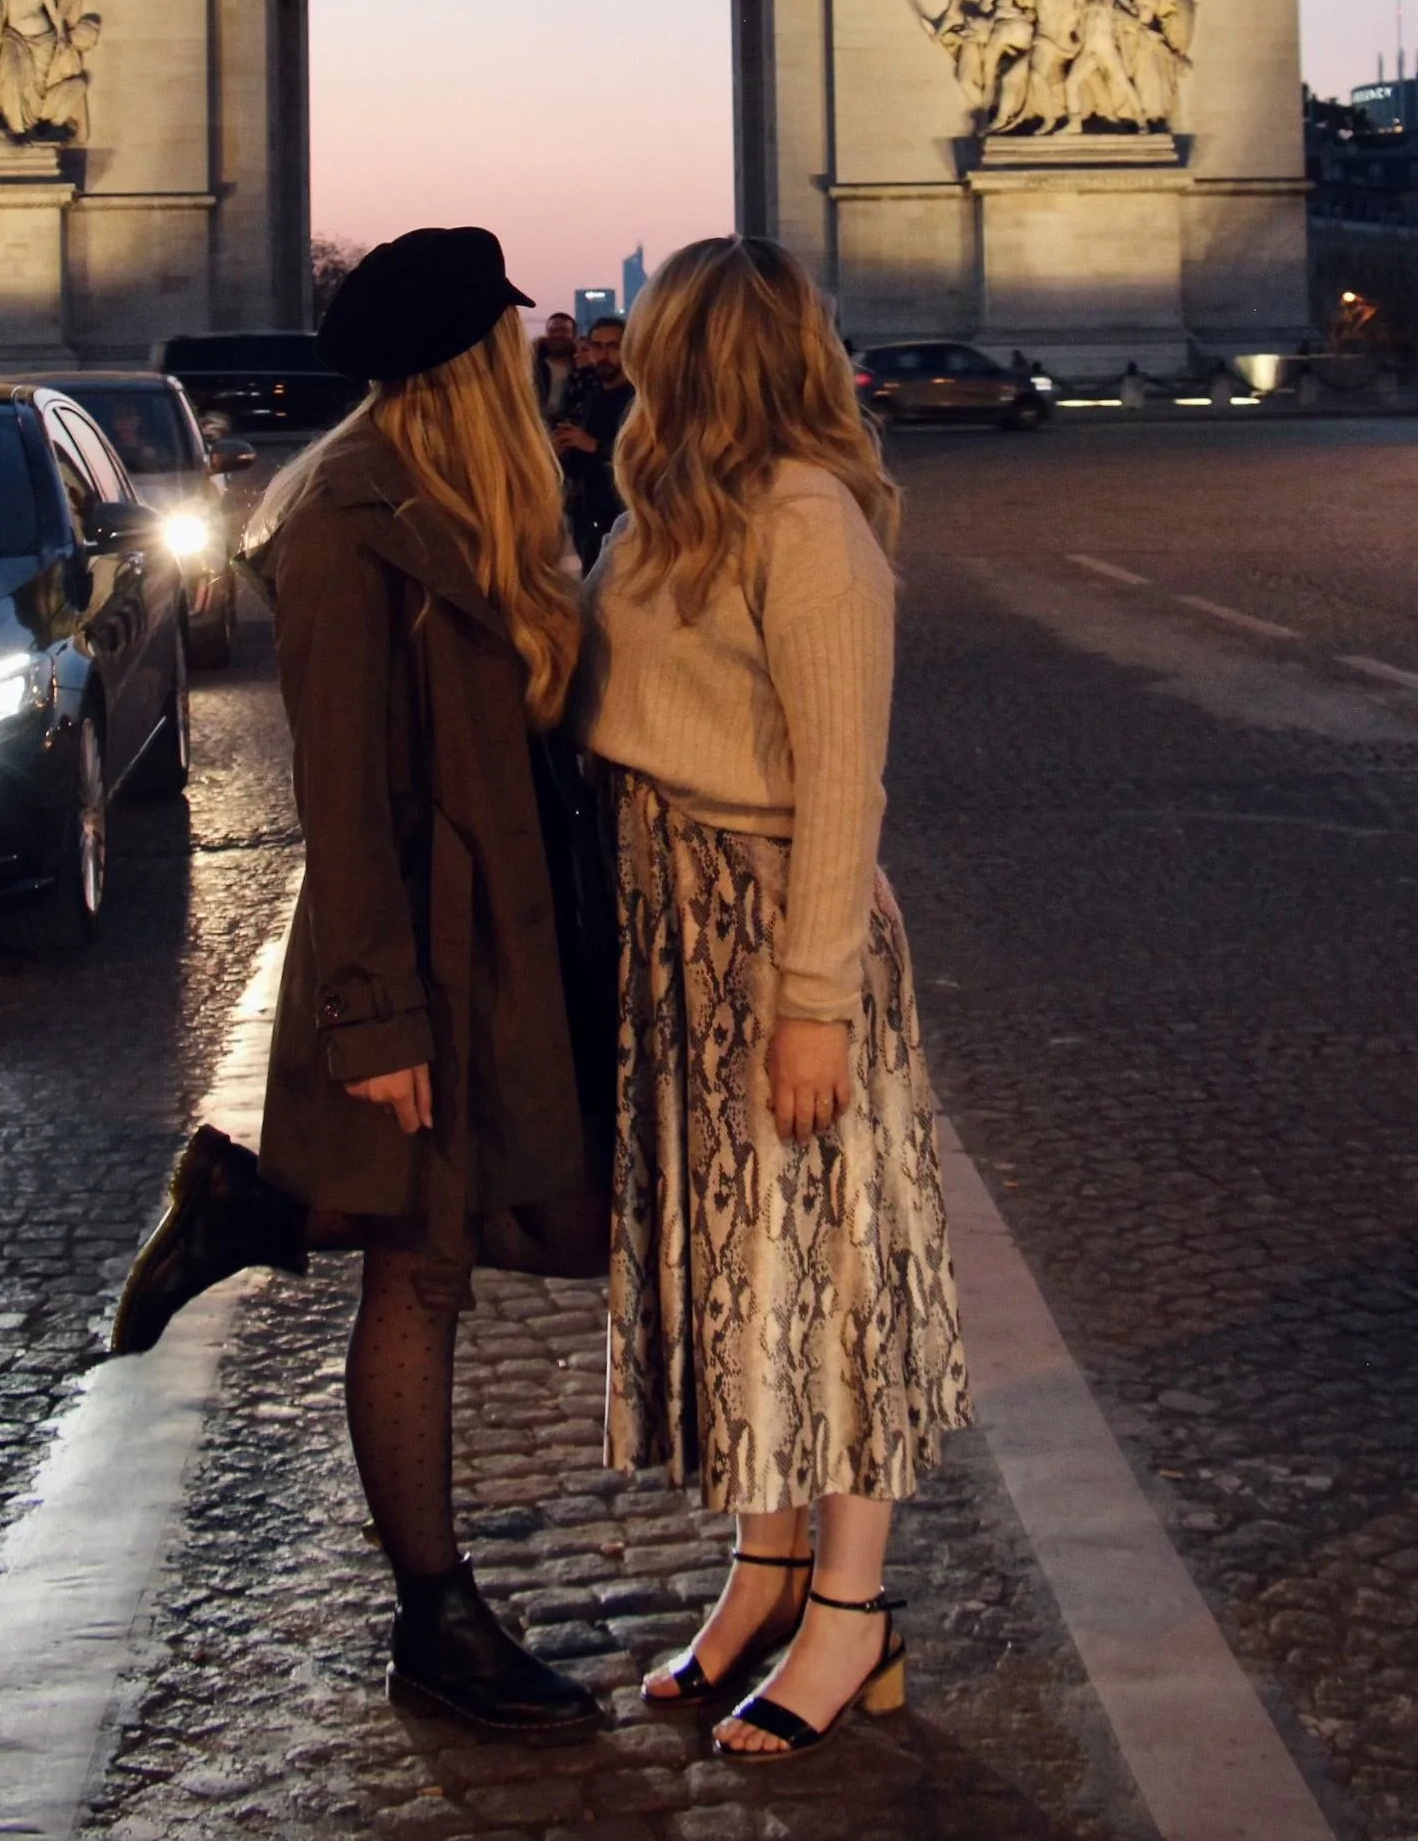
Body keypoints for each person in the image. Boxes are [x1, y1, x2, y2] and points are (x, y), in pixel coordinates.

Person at [108, 227, 608, 1738]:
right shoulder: (335, 519)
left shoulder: (480, 495)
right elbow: (336, 795)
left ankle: (266, 1204)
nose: (528, 356)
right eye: (504, 338)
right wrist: (375, 1020)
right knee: (427, 1262)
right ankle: (434, 1618)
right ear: (463, 359)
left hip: (523, 932)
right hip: (424, 949)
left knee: (574, 1224)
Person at [582, 236, 968, 1762]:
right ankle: (766, 1564)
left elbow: (839, 779)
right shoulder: (666, 514)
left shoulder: (809, 525)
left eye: (649, 336)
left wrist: (812, 996)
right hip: (678, 938)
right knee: (747, 1281)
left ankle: (854, 1608)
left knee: (836, 1278)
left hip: (769, 943)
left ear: (691, 351)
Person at [554, 313, 633, 567]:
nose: (603, 355)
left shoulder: (640, 401)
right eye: (597, 346)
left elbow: (650, 456)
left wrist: (595, 445)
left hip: (625, 519)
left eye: (613, 346)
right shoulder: (592, 398)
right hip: (589, 520)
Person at [532, 310, 581, 426]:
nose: (557, 335)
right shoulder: (531, 363)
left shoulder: (581, 368)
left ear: (574, 335)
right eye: (552, 330)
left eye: (564, 331)